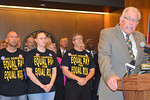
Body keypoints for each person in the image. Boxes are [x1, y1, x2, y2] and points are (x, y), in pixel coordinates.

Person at [97, 7, 146, 100]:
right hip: (114, 90)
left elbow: (145, 60)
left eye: (135, 20)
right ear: (121, 19)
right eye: (128, 19)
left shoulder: (141, 37)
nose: (131, 23)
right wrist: (110, 76)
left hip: (136, 92)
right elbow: (104, 57)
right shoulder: (108, 33)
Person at [24, 32, 59, 100]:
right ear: (36, 40)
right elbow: (29, 73)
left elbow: (54, 71)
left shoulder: (51, 53)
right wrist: (42, 86)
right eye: (41, 38)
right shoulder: (30, 54)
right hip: (35, 89)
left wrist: (50, 85)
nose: (43, 40)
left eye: (45, 38)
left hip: (50, 89)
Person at [61, 33, 95, 100]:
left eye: (81, 38)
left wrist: (86, 79)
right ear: (73, 42)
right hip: (72, 86)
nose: (79, 40)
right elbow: (64, 70)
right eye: (77, 39)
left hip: (86, 85)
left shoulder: (87, 55)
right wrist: (78, 78)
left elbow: (92, 70)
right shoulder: (68, 54)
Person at [0, 31, 27, 100]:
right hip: (4, 93)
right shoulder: (1, 53)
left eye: (16, 37)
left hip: (21, 92)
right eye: (11, 37)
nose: (14, 39)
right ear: (6, 40)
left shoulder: (24, 54)